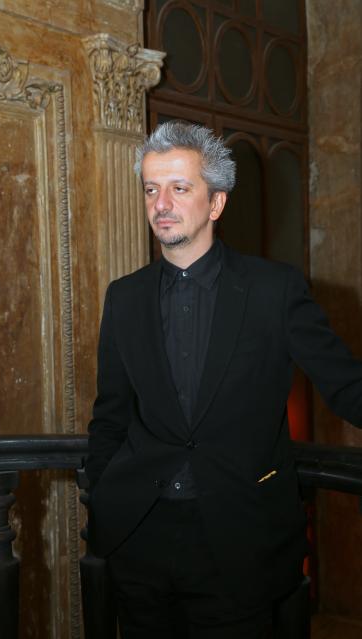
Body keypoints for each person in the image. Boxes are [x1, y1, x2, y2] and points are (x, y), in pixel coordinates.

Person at [86, 121, 362, 638]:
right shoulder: (124, 297)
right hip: (140, 540)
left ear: (216, 203)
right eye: (151, 189)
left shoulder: (274, 290)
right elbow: (110, 417)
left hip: (240, 542)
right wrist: (104, 500)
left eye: (179, 188)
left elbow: (346, 385)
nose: (161, 204)